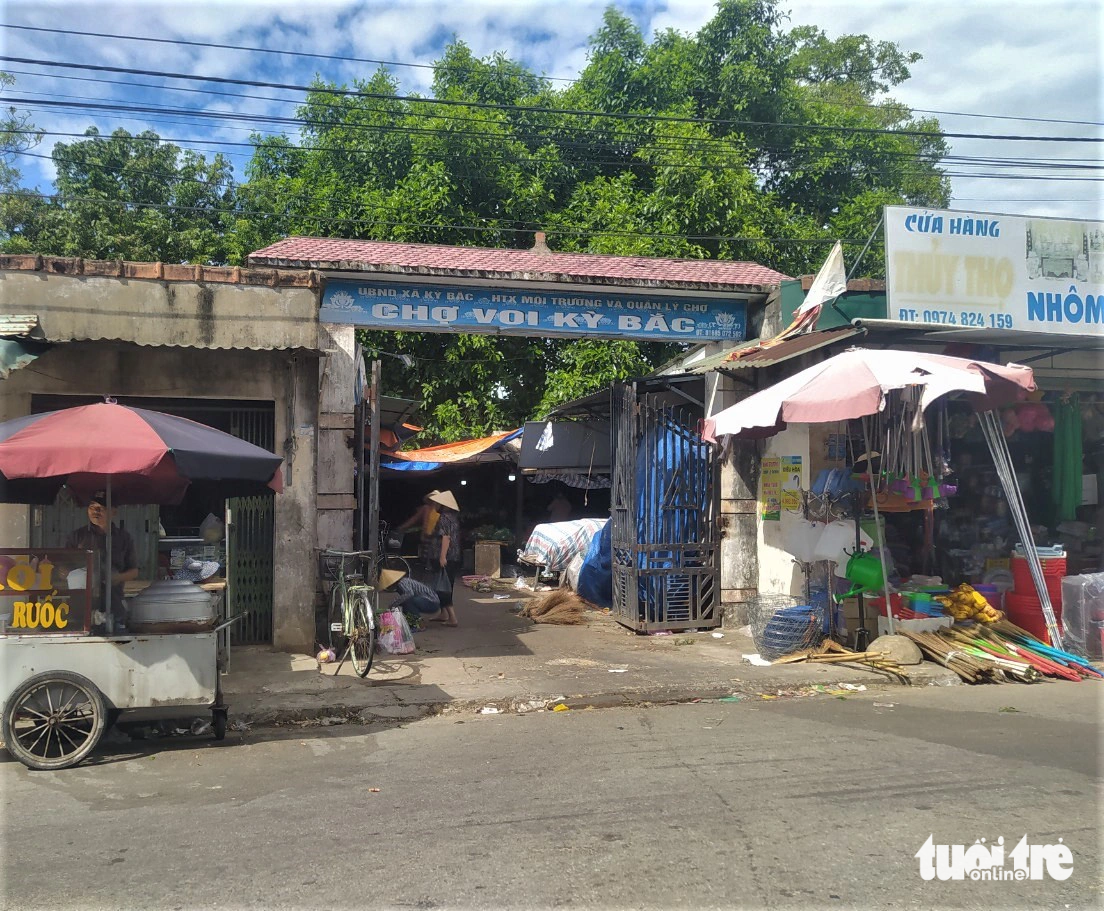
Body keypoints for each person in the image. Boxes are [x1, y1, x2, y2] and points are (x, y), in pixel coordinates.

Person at [65, 490, 139, 631]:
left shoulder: (123, 537)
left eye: (102, 508)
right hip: (81, 608)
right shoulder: (77, 537)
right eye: (92, 507)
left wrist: (117, 577)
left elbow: (134, 571)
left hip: (113, 604)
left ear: (114, 512)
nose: (96, 511)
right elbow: (64, 568)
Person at [426, 489, 462, 624]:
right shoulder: (452, 517)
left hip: (446, 556)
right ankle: (443, 614)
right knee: (445, 585)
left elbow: (446, 538)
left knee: (443, 587)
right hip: (454, 556)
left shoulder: (443, 518)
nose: (434, 505)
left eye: (436, 503)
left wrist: (442, 557)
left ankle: (452, 617)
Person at [378, 568, 456, 627]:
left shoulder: (402, 583)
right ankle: (411, 621)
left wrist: (392, 604)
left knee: (408, 601)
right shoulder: (404, 582)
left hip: (432, 602)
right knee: (405, 602)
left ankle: (418, 623)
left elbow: (409, 594)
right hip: (430, 601)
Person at [395, 489, 442, 578]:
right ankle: (428, 574)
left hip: (438, 537)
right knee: (427, 558)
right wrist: (401, 528)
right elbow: (414, 520)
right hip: (427, 536)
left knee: (436, 559)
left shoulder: (441, 511)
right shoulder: (425, 508)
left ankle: (434, 574)